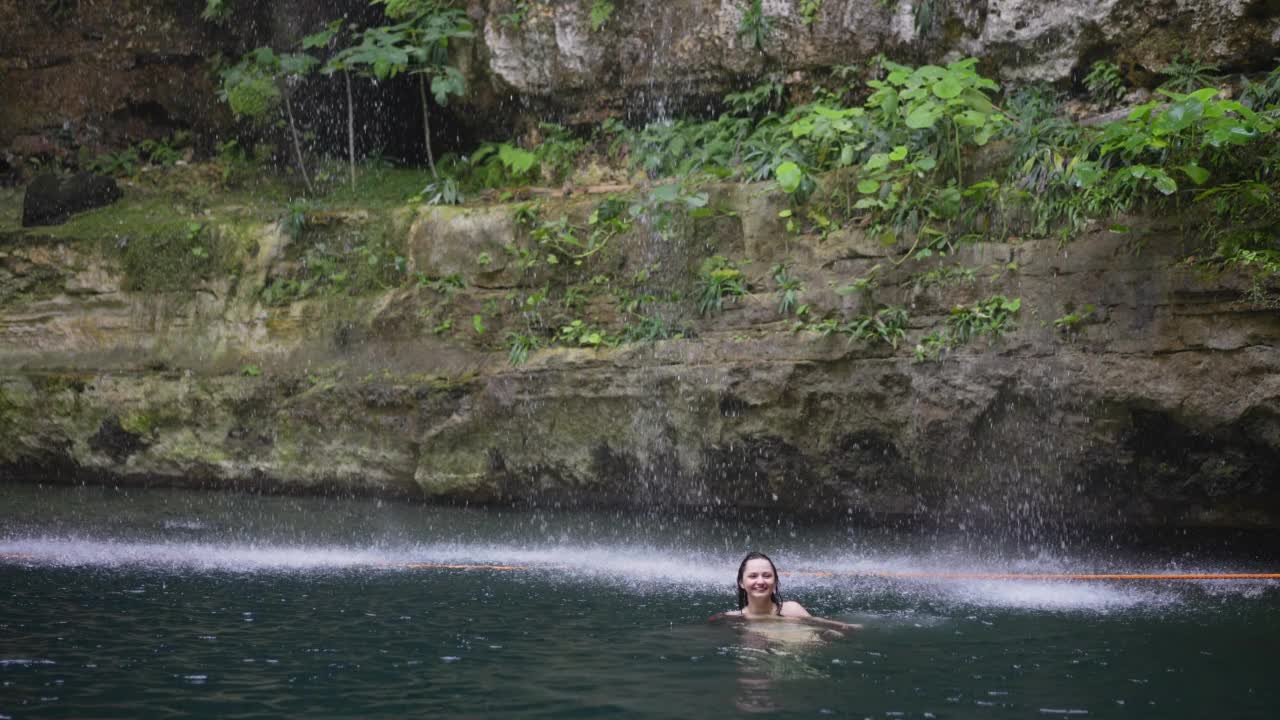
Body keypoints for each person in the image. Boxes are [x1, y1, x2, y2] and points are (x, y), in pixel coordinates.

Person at [709, 551, 862, 632]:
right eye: (753, 576)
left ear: (775, 581)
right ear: (742, 583)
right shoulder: (732, 618)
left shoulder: (791, 609)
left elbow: (820, 625)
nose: (760, 581)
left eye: (767, 576)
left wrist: (845, 627)